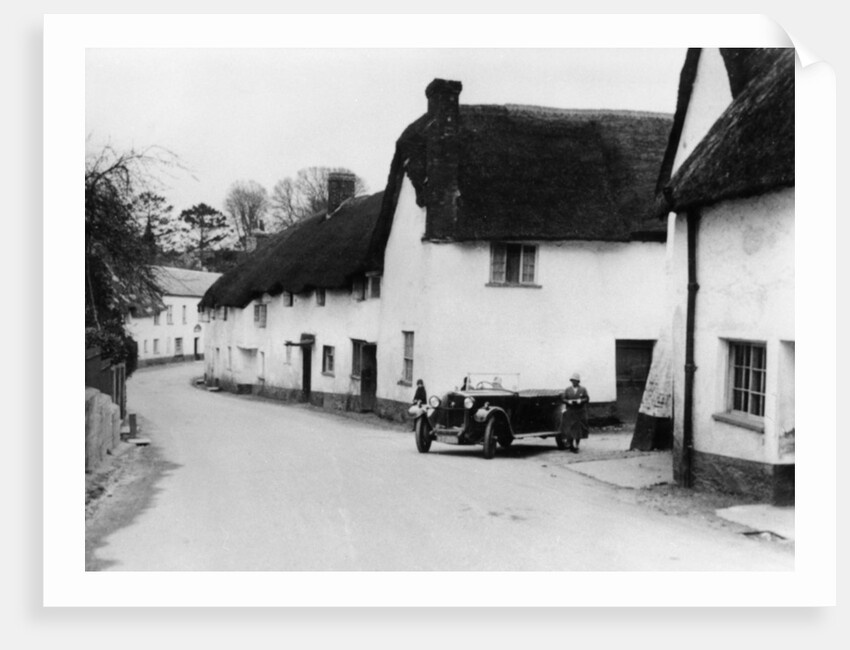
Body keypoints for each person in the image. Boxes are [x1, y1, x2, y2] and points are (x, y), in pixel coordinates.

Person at [559, 372, 589, 452]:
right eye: (572, 380)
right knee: (570, 429)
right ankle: (571, 445)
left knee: (578, 430)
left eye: (575, 381)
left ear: (578, 381)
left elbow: (587, 398)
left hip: (579, 412)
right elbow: (563, 399)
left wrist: (581, 400)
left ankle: (577, 444)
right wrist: (568, 401)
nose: (574, 382)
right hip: (571, 411)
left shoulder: (583, 389)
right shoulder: (568, 389)